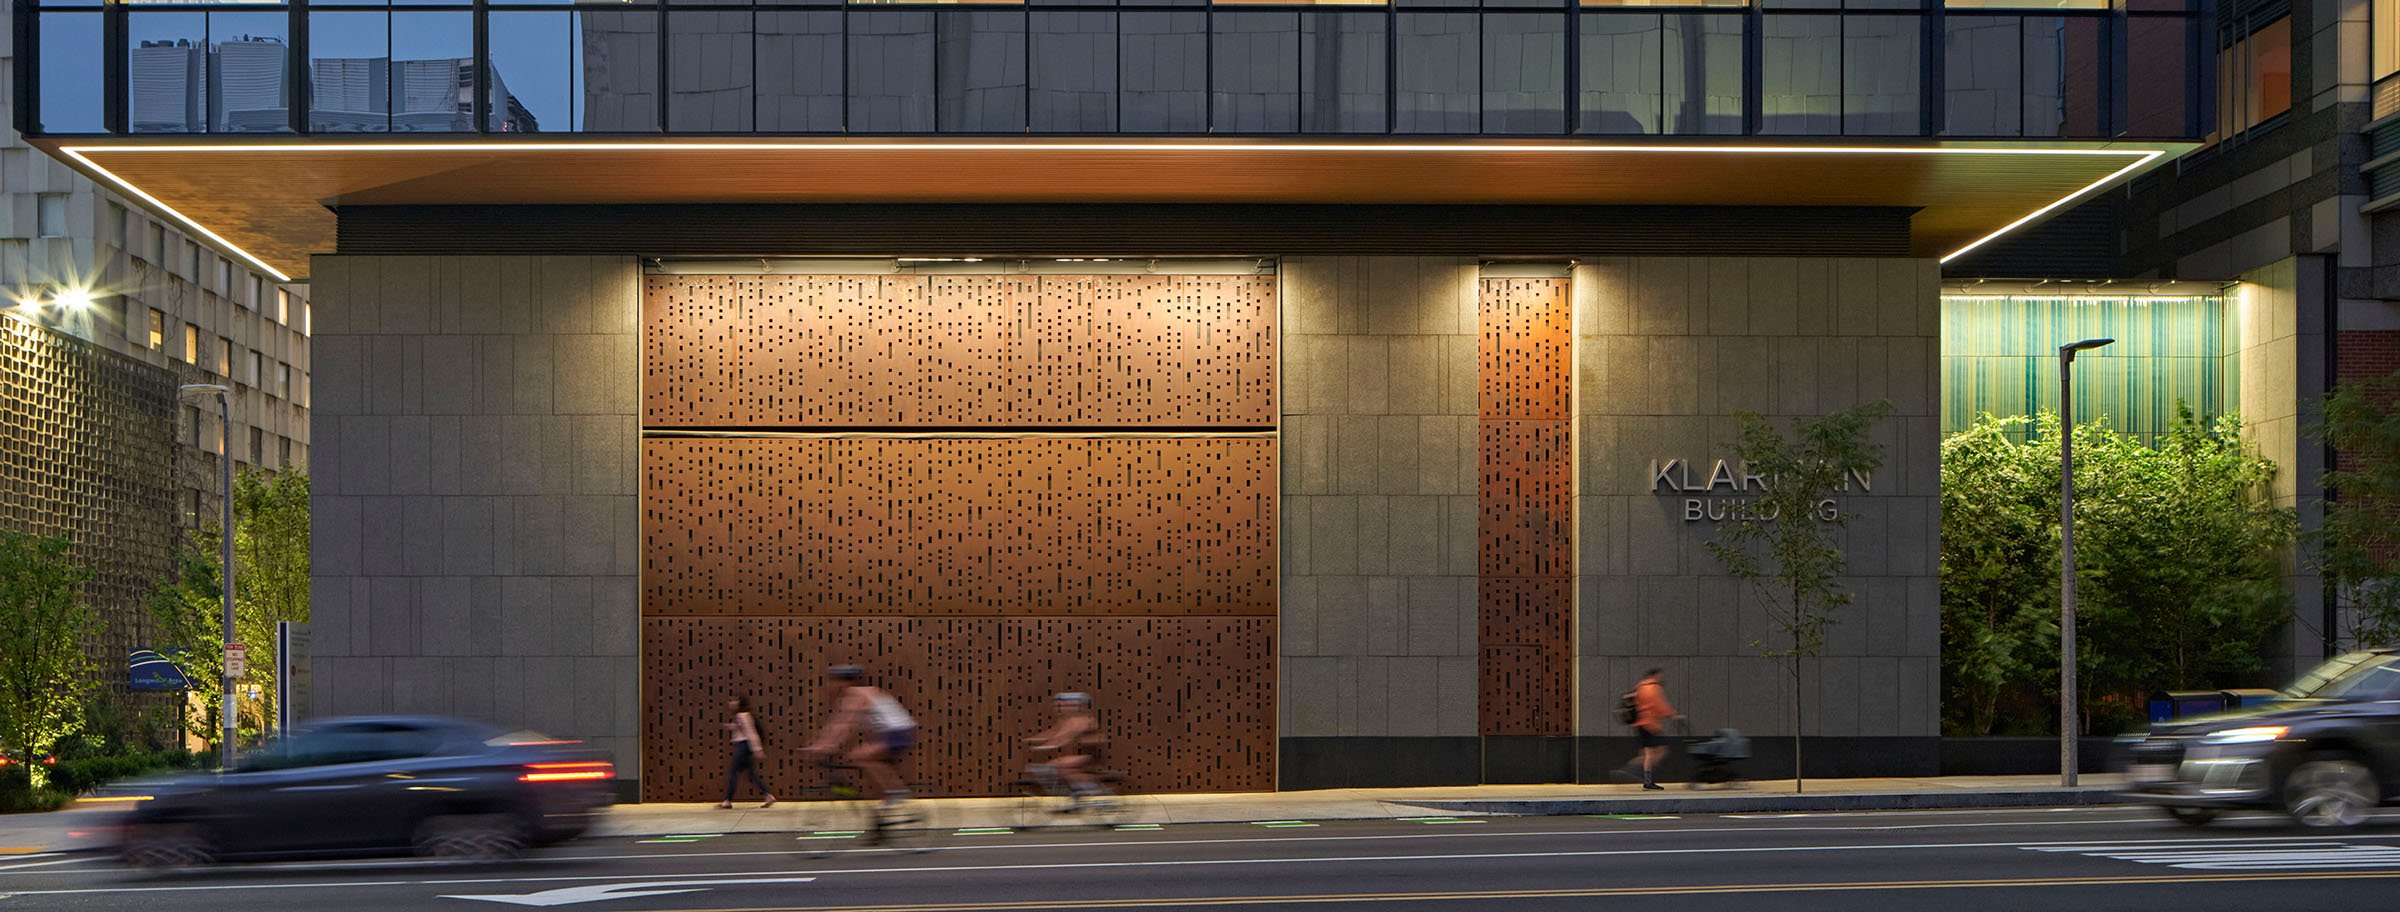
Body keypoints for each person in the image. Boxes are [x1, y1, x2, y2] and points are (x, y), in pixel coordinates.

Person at [802, 665, 918, 808]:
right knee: (865, 760)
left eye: (832, 681)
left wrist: (823, 746)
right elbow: (837, 724)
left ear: (842, 682)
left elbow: (844, 724)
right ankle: (886, 801)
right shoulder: (859, 694)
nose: (829, 685)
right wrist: (823, 744)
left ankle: (896, 792)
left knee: (859, 757)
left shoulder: (857, 694)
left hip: (896, 732)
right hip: (892, 732)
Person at [1025, 692, 1110, 810]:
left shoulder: (1082, 720)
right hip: (1082, 754)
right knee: (1060, 768)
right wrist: (1033, 740)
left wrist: (1044, 747)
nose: (1063, 708)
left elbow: (1064, 737)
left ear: (1079, 706)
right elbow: (1054, 733)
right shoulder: (1068, 720)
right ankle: (1076, 795)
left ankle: (1095, 792)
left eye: (1068, 705)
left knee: (1060, 767)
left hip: (1091, 754)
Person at [1618, 668, 1681, 791]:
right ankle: (1632, 771)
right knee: (1661, 751)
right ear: (1655, 675)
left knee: (1649, 754)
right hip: (1650, 725)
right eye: (1660, 676)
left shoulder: (1640, 687)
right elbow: (1659, 705)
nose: (1661, 678)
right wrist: (1673, 714)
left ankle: (1642, 778)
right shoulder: (1653, 688)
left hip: (1640, 724)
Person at [716, 696, 775, 809]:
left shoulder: (742, 715)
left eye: (734, 700)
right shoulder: (742, 716)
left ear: (739, 703)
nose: (731, 703)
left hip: (743, 747)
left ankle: (728, 800)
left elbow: (750, 732)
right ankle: (768, 795)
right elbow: (743, 729)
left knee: (733, 772)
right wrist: (732, 727)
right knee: (751, 774)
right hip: (744, 747)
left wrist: (758, 749)